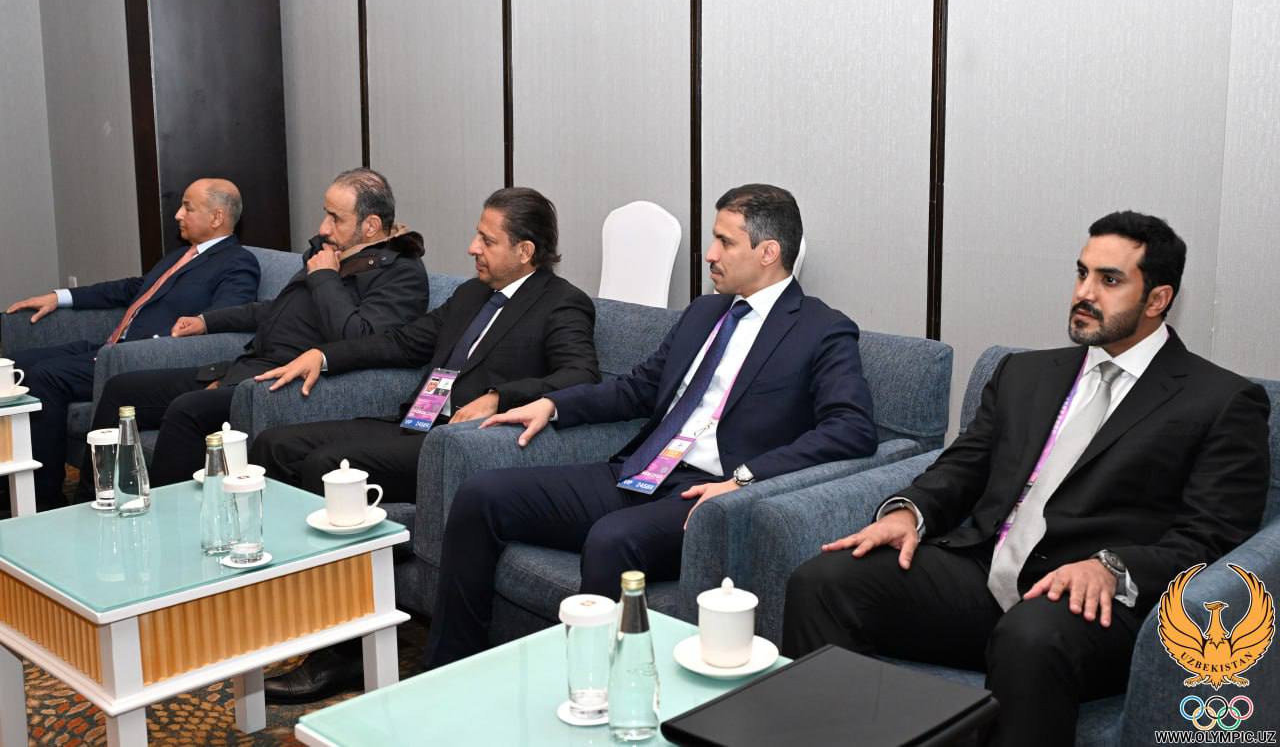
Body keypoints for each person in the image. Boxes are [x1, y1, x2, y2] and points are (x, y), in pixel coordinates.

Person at [780, 211, 1271, 747]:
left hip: (1092, 605)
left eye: (1109, 280)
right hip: (985, 574)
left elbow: (1215, 537)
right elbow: (964, 465)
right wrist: (908, 513)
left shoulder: (1220, 401)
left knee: (1030, 636)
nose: (1084, 293)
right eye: (1081, 273)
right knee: (823, 583)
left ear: (1157, 299)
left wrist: (1113, 567)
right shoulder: (1025, 372)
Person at [427, 184, 877, 668]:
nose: (709, 254)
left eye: (725, 242)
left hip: (709, 495)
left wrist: (746, 479)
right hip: (641, 472)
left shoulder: (821, 329)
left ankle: (593, 694)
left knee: (611, 539)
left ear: (768, 252)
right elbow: (639, 387)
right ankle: (450, 668)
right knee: (481, 496)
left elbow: (851, 428)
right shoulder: (705, 312)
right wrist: (553, 405)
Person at [252, 186, 600, 702]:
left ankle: (344, 654)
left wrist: (501, 396)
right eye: (477, 235)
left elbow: (581, 375)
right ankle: (302, 606)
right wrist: (322, 356)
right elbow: (403, 341)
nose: (472, 248)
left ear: (525, 250)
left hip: (456, 447)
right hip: (411, 425)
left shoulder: (562, 303)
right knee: (274, 446)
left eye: (487, 240)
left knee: (330, 468)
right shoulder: (472, 294)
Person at [85, 168, 428, 487]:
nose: (324, 227)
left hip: (286, 381)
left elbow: (360, 339)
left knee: (187, 410)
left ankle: (168, 521)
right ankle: (92, 499)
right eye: (326, 214)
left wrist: (325, 276)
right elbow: (279, 310)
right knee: (121, 389)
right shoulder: (330, 254)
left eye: (335, 218)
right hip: (248, 365)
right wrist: (208, 321)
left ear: (370, 225)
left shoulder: (400, 274)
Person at [3, 178, 259, 509]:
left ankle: (42, 499)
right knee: (16, 366)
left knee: (45, 377)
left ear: (217, 217)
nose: (178, 215)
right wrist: (60, 297)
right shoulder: (181, 256)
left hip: (140, 359)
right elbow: (132, 288)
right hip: (111, 347)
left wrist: (181, 332)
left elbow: (225, 319)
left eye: (188, 207)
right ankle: (10, 481)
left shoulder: (237, 262)